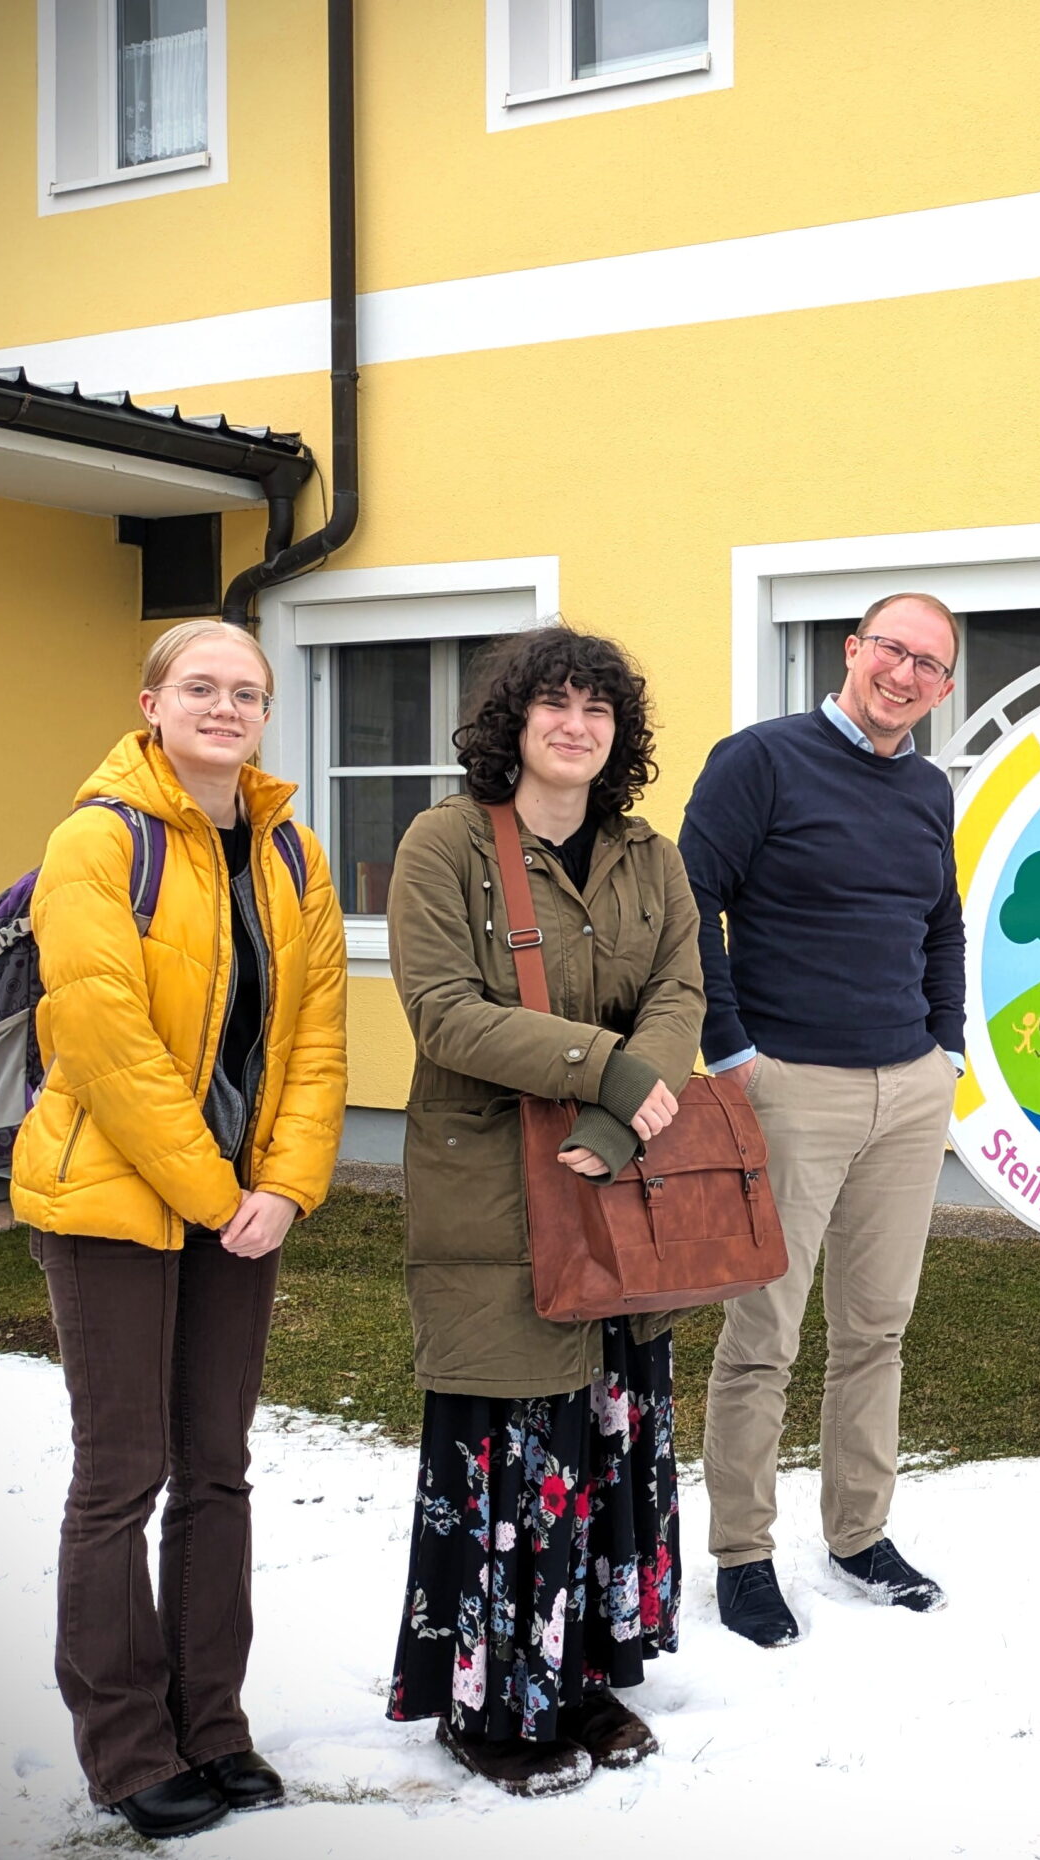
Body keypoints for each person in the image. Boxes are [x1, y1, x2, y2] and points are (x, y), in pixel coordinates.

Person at [13, 620, 346, 1840]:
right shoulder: (96, 842)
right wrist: (218, 1196)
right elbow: (105, 1043)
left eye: (245, 692)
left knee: (218, 1467)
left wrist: (290, 1188)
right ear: (150, 704)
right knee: (121, 1476)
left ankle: (214, 1725)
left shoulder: (290, 853)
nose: (225, 707)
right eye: (200, 687)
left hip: (244, 1210)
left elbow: (316, 1044)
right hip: (112, 1201)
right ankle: (126, 1746)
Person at [384, 627, 704, 1797]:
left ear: (619, 735)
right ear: (512, 722)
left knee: (606, 1444)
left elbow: (681, 992)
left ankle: (585, 1678)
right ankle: (489, 1709)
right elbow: (443, 1012)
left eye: (598, 710)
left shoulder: (647, 856)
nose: (575, 725)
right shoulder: (447, 841)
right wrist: (611, 1069)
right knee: (511, 1454)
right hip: (494, 1197)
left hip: (619, 1185)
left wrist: (621, 1120)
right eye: (552, 705)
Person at [682, 592, 966, 1647]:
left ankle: (858, 1533)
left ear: (941, 690)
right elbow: (688, 898)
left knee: (877, 1330)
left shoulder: (928, 789)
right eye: (890, 650)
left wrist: (948, 1044)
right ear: (852, 651)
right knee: (764, 1333)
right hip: (791, 1085)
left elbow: (940, 920)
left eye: (928, 665)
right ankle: (743, 1554)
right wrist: (733, 1049)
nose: (904, 675)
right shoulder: (759, 760)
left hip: (907, 1088)